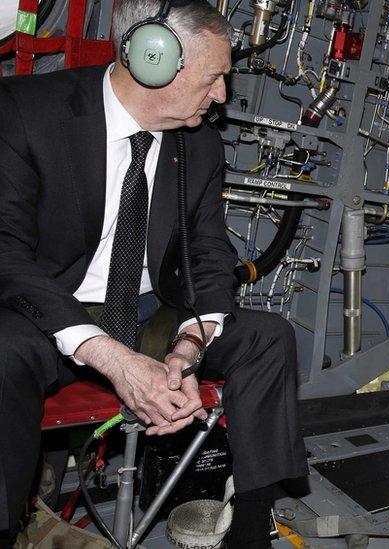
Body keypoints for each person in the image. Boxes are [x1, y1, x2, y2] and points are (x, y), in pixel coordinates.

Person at [0, 1, 307, 547]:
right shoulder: (25, 111)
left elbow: (210, 252)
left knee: (268, 338)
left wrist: (194, 338)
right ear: (152, 60)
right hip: (49, 315)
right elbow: (7, 256)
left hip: (146, 313)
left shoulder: (199, 143)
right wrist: (111, 358)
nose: (221, 97)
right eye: (214, 78)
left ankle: (252, 528)